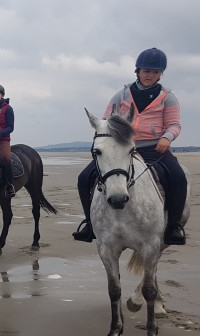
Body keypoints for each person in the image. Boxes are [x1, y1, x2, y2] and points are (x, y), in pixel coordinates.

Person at [73, 47, 187, 245]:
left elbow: (174, 124)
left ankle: (173, 226)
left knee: (178, 177)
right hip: (122, 148)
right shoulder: (121, 95)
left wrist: (167, 137)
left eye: (155, 72)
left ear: (161, 74)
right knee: (84, 177)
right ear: (138, 71)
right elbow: (106, 120)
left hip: (154, 149)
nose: (150, 75)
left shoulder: (168, 97)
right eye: (146, 71)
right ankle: (90, 224)